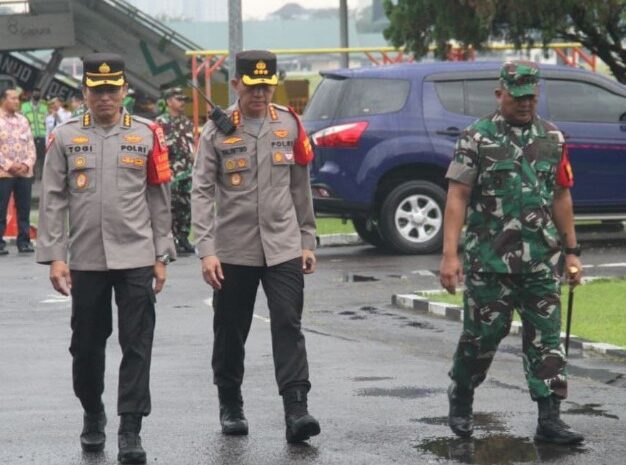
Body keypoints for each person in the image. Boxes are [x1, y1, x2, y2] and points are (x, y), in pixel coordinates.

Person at [36, 53, 175, 464]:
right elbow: (53, 200)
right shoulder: (63, 137)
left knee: (137, 344)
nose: (105, 98)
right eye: (97, 91)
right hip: (86, 260)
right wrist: (55, 256)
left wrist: (161, 254)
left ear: (124, 91)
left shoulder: (149, 135)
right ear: (85, 93)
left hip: (136, 255)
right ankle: (92, 413)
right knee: (86, 346)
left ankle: (130, 428)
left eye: (112, 90)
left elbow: (158, 197)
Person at [439, 61, 584, 445]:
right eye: (518, 97)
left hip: (541, 258)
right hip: (489, 261)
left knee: (547, 340)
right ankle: (462, 396)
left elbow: (561, 195)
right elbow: (457, 196)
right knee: (482, 337)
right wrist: (449, 255)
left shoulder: (553, 137)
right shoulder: (476, 137)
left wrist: (572, 252)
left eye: (532, 97)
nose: (525, 104)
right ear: (500, 93)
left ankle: (550, 418)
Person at [191, 50, 320, 443]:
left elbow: (301, 187)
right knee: (231, 330)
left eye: (266, 85)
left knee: (288, 323)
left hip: (283, 245)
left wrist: (307, 239)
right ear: (235, 86)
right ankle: (230, 402)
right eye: (252, 86)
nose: (260, 93)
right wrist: (206, 249)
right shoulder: (216, 131)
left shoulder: (290, 124)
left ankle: (296, 409)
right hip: (233, 249)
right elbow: (201, 191)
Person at [156, 87, 195, 255]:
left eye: (183, 100)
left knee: (186, 205)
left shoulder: (186, 122)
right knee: (169, 207)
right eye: (179, 99)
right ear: (169, 101)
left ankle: (184, 237)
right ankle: (170, 240)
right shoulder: (160, 122)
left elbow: (190, 146)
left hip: (186, 172)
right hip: (170, 172)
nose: (182, 103)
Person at [0, 87, 36, 255]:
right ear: (3, 100)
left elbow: (31, 146)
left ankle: (24, 241)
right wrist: (9, 165)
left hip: (24, 173)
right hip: (3, 173)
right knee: (0, 208)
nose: (17, 101)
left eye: (17, 98)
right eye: (13, 98)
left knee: (24, 208)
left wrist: (26, 164)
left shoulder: (23, 120)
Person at [21, 87, 48, 180]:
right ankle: (32, 176)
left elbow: (47, 121)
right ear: (31, 94)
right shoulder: (24, 106)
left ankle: (42, 177)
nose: (37, 95)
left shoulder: (44, 107)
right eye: (35, 93)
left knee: (42, 157)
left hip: (42, 135)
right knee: (31, 157)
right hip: (30, 136)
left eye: (39, 93)